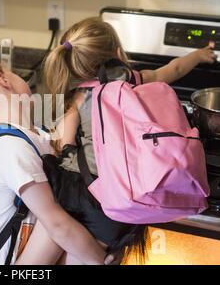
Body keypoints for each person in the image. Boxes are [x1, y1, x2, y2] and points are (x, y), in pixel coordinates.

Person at [42, 17, 217, 262]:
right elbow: (174, 70)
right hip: (121, 204)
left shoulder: (78, 98)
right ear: (118, 53)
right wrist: (200, 55)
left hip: (81, 196)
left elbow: (63, 145)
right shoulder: (135, 79)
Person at [0, 55, 117, 265]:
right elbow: (57, 225)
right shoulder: (7, 148)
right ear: (2, 79)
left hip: (37, 252)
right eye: (12, 73)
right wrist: (100, 260)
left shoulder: (35, 135)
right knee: (66, 210)